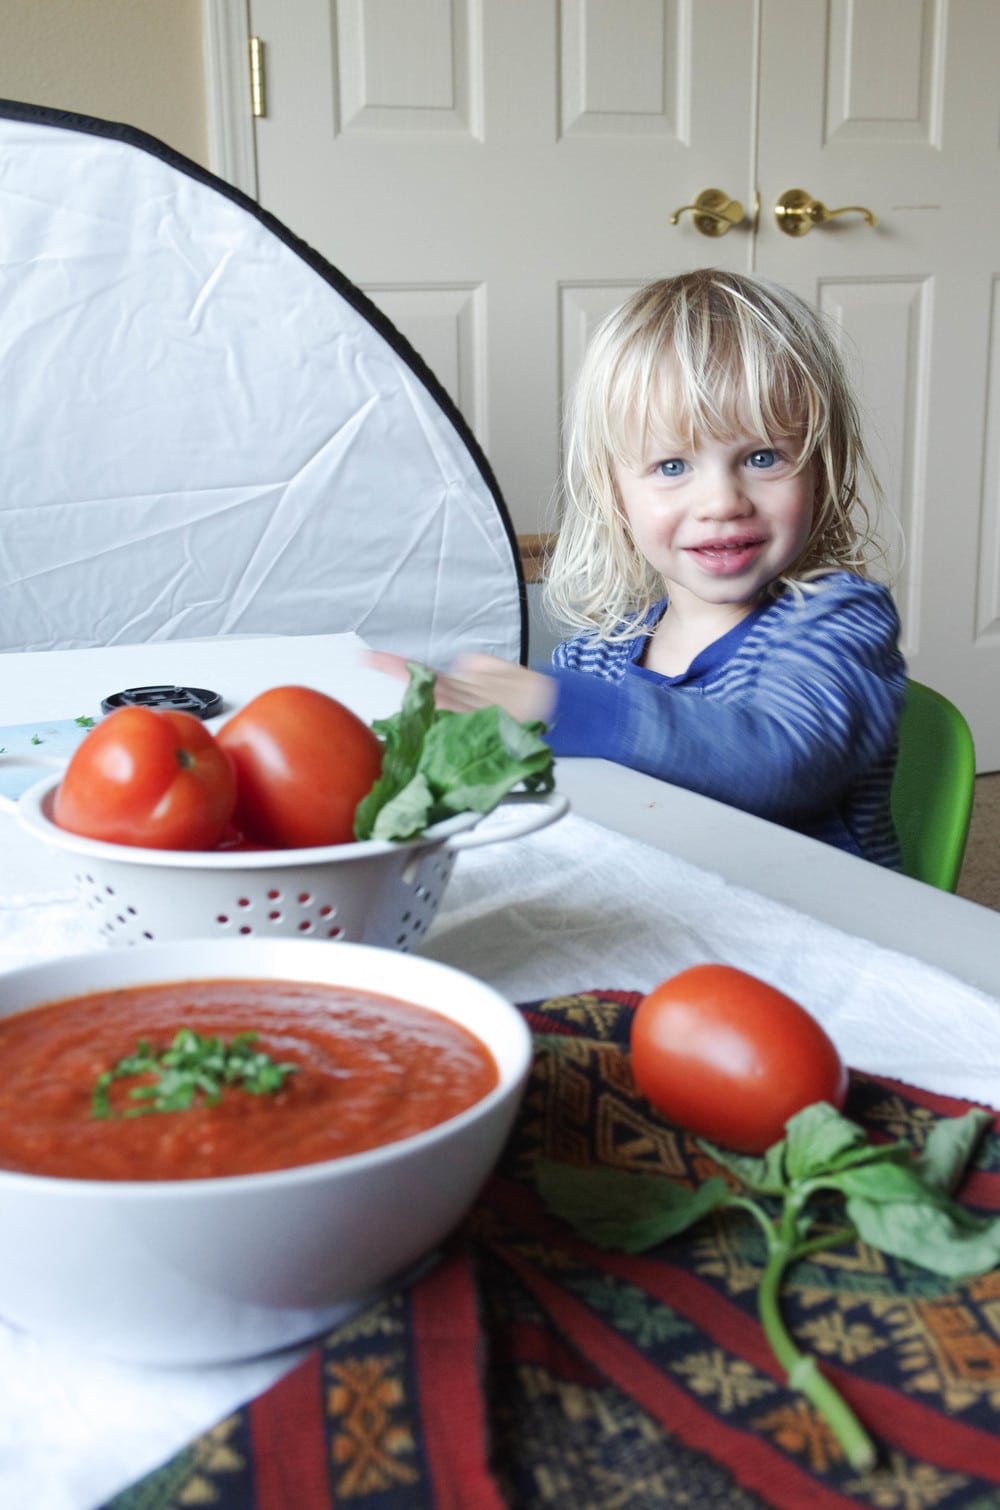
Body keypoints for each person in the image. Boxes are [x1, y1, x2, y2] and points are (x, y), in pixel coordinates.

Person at [370, 269, 907, 867]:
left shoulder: (835, 620)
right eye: (672, 466)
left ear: (822, 471)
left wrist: (557, 707)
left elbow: (783, 762)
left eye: (762, 457)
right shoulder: (597, 658)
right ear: (615, 494)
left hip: (820, 937)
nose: (722, 502)